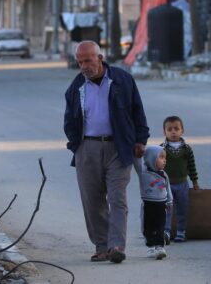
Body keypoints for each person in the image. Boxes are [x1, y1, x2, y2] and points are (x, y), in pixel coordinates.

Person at [64, 40, 150, 263]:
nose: (84, 66)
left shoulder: (122, 80)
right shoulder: (76, 87)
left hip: (118, 147)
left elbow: (137, 111)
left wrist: (140, 139)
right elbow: (69, 121)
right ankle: (101, 246)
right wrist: (77, 146)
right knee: (92, 201)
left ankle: (117, 245)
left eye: (88, 60)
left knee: (117, 199)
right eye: (80, 61)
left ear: (99, 58)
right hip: (87, 149)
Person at [162, 116, 199, 244]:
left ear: (182, 131)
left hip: (182, 184)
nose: (173, 132)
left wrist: (194, 182)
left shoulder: (187, 149)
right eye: (169, 129)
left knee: (182, 209)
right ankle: (166, 232)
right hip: (166, 185)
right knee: (167, 209)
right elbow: (157, 167)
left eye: (176, 129)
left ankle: (181, 232)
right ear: (164, 132)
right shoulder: (162, 149)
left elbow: (191, 166)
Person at [139, 145, 172, 260]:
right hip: (148, 205)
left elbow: (168, 189)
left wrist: (169, 201)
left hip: (161, 205)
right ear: (151, 158)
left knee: (160, 226)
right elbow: (137, 161)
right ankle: (151, 247)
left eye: (165, 158)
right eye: (161, 157)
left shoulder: (163, 174)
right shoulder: (143, 172)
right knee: (148, 227)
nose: (164, 160)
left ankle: (160, 247)